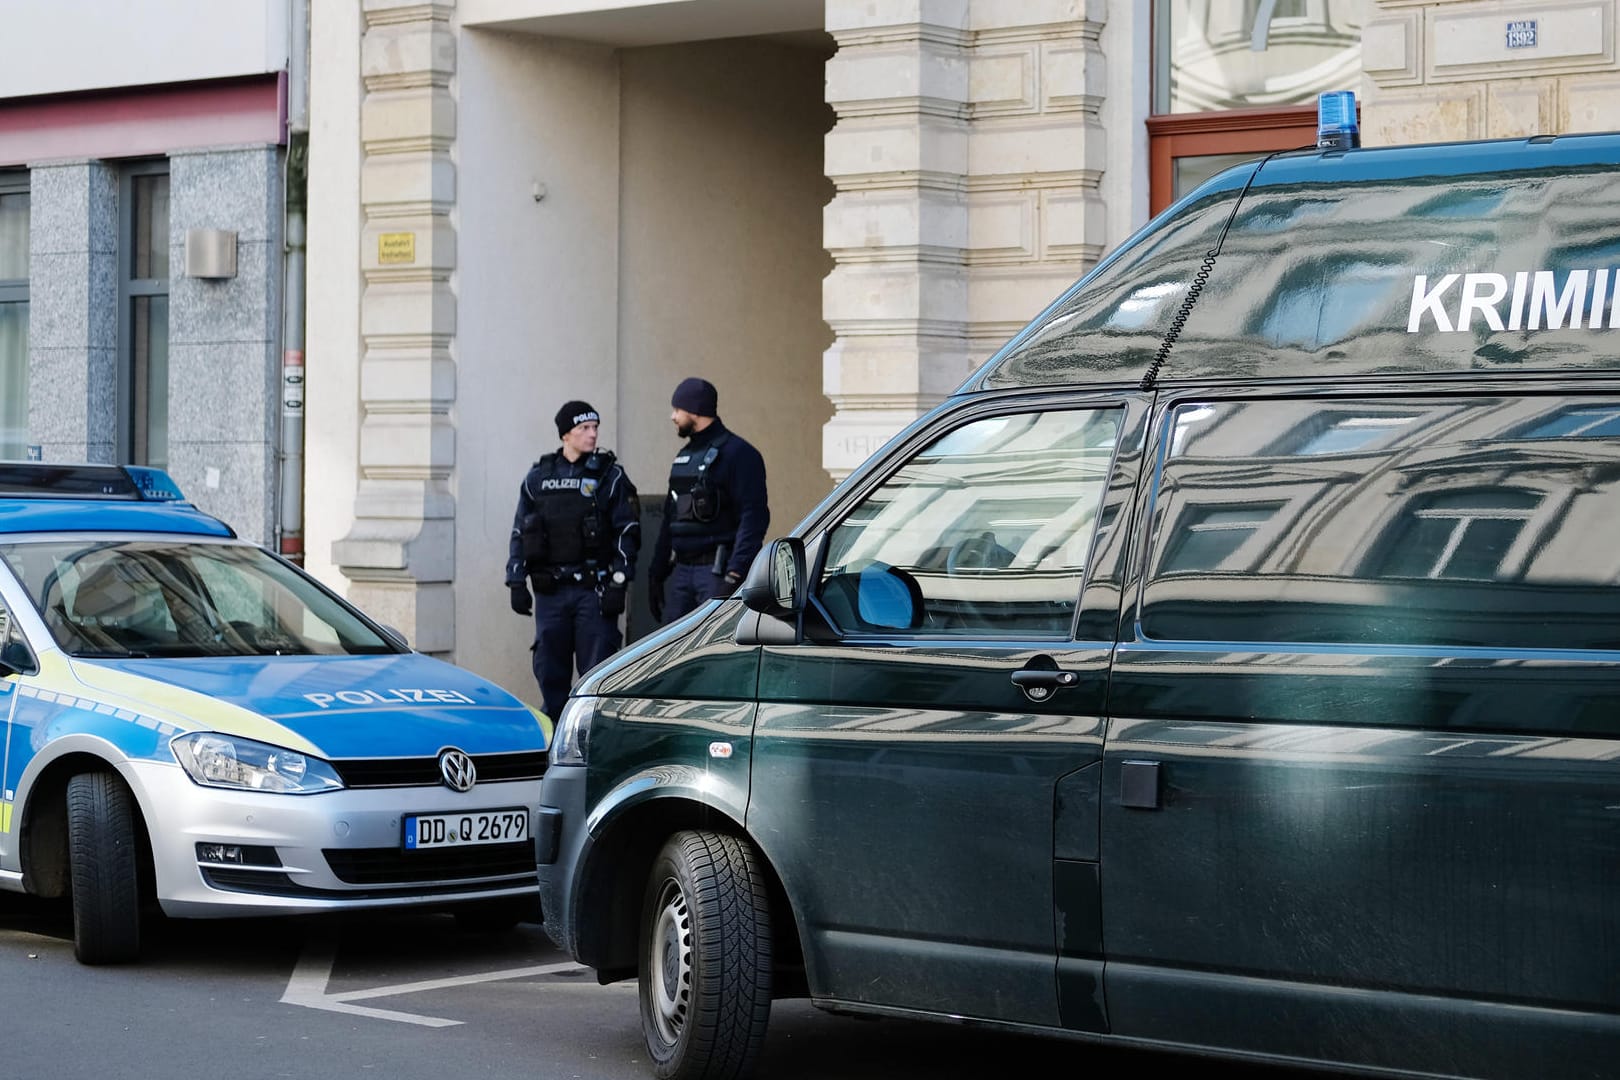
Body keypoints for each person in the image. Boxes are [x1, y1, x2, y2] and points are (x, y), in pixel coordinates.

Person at [506, 400, 640, 719]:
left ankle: (593, 737)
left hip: (593, 592)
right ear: (566, 434)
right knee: (550, 669)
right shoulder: (539, 477)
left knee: (598, 672)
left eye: (595, 428)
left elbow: (628, 530)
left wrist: (620, 580)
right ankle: (555, 738)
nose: (592, 435)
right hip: (550, 593)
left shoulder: (610, 476)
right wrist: (515, 578)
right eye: (584, 429)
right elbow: (521, 531)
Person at [648, 377, 769, 624]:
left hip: (716, 572)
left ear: (695, 410)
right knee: (673, 652)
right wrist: (656, 573)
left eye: (677, 410)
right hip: (681, 573)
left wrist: (735, 574)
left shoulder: (739, 454)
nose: (673, 416)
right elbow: (670, 518)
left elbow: (753, 517)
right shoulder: (684, 456)